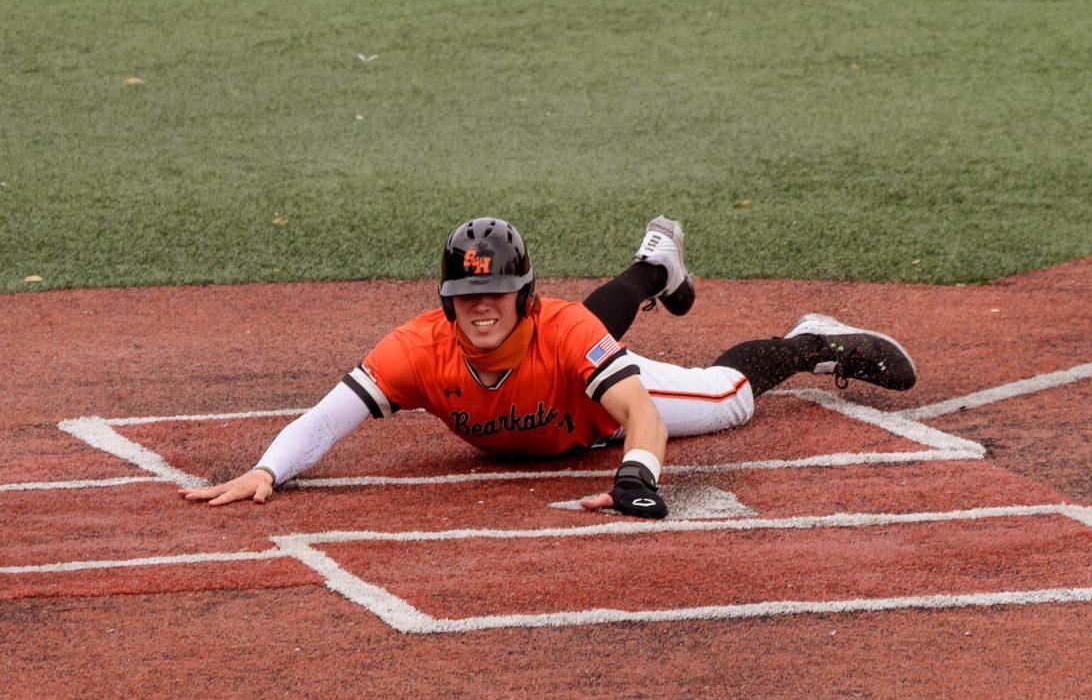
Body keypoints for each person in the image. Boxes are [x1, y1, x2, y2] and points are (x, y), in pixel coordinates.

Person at [179, 216, 916, 517]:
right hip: (561, 391)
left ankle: (809, 342)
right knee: (586, 328)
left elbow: (642, 416)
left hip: (592, 415)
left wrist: (637, 475)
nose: (481, 307)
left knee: (728, 399)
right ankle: (655, 266)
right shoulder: (416, 349)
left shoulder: (557, 326)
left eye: (497, 293)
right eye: (467, 296)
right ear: (446, 301)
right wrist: (268, 471)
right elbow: (328, 417)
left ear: (524, 296)